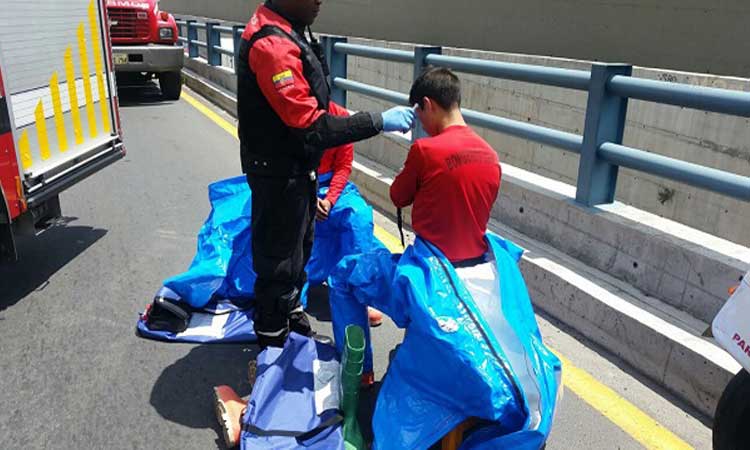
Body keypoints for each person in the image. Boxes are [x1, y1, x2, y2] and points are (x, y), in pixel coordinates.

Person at [237, 0, 414, 349]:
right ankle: (273, 347)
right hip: (278, 172)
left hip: (299, 168)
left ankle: (291, 319)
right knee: (279, 261)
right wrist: (377, 121)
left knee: (301, 249)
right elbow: (311, 126)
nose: (320, 2)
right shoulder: (273, 46)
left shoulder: (291, 29)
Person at [391, 67, 501, 265]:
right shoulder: (491, 156)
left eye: (419, 113)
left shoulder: (424, 150)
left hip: (432, 265)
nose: (420, 124)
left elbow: (398, 196)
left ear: (427, 104)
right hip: (477, 261)